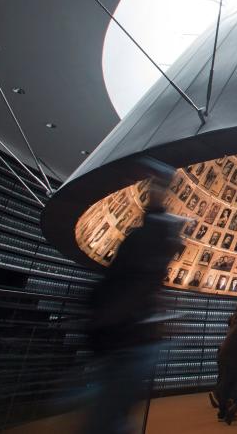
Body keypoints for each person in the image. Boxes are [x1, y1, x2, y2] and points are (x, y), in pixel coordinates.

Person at [83, 159, 186, 434]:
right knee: (109, 416)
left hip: (120, 336)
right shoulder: (147, 252)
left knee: (111, 414)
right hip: (125, 337)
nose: (176, 249)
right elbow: (154, 226)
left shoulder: (145, 252)